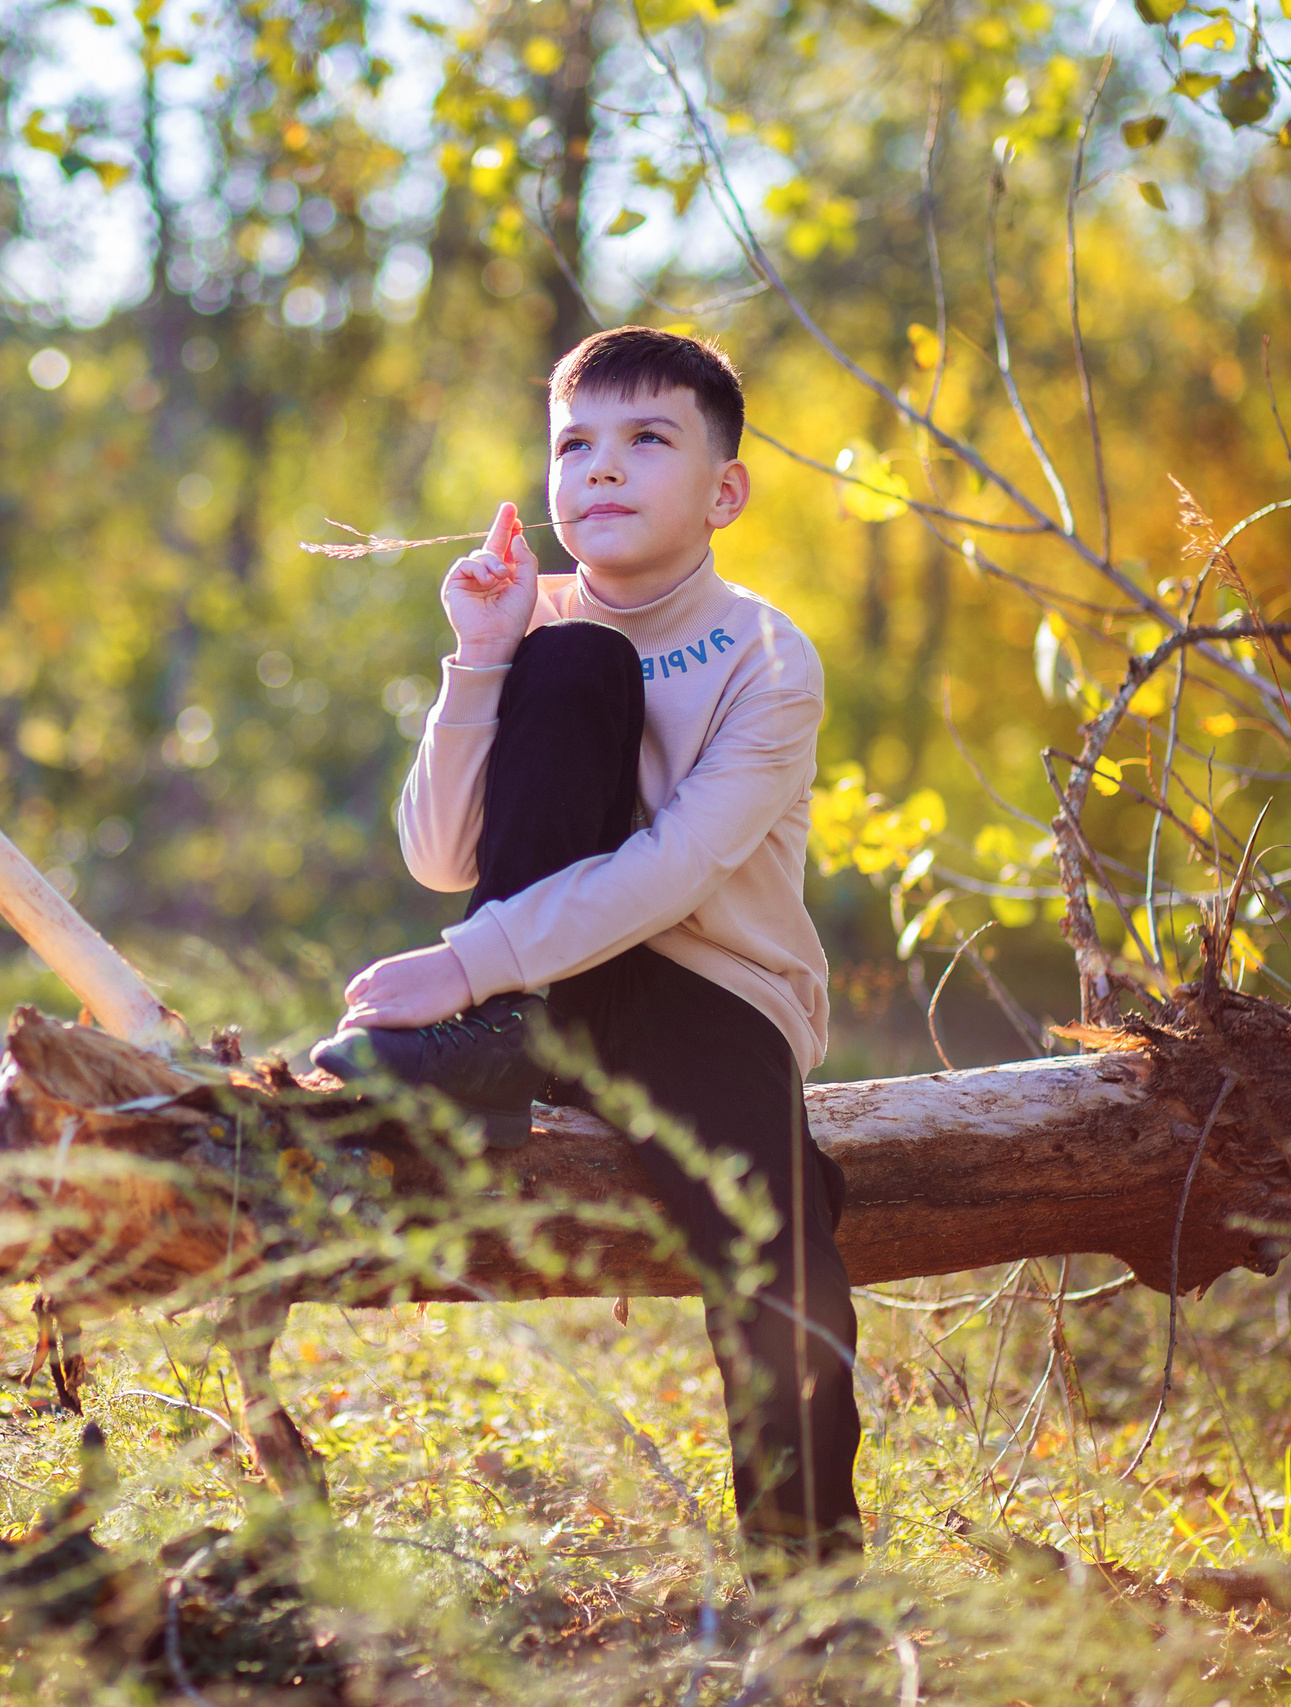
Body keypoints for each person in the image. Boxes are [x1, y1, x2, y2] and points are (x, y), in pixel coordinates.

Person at [311, 325, 859, 1572]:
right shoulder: (538, 615)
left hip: (707, 990)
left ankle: (806, 1568)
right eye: (574, 445)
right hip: (535, 982)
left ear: (725, 490)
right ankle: (505, 1048)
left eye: (645, 440)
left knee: (774, 1242)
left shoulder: (768, 657)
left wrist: (463, 966)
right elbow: (441, 857)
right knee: (571, 663)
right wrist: (480, 658)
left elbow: (674, 871)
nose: (600, 470)